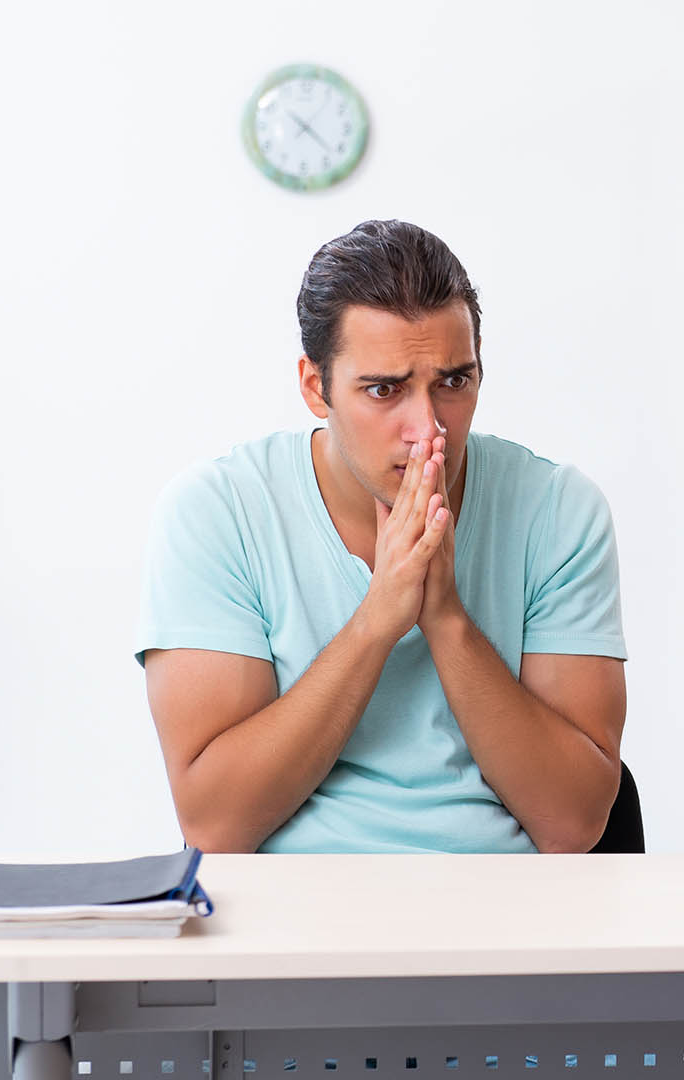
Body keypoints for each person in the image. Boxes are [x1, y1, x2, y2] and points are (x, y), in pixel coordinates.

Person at [136, 219, 627, 855]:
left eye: (453, 382)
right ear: (317, 388)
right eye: (384, 390)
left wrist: (446, 617)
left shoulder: (559, 511)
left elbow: (574, 825)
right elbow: (216, 826)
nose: (428, 429)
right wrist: (377, 621)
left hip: (505, 913)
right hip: (293, 921)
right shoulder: (216, 512)